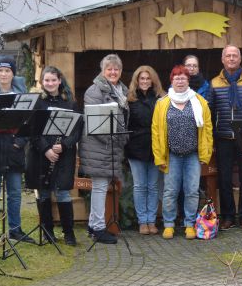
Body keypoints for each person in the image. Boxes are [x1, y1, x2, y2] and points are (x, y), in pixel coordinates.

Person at [153, 65, 213, 240]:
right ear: (171, 80)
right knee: (170, 191)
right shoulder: (162, 103)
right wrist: (159, 157)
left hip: (192, 155)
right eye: (176, 78)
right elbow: (156, 132)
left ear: (188, 81)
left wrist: (206, 153)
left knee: (192, 191)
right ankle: (169, 224)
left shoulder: (200, 101)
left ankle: (189, 224)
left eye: (183, 78)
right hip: (171, 155)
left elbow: (207, 129)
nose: (180, 81)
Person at [206, 45, 242, 232]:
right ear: (222, 59)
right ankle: (228, 216)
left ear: (240, 59)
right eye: (228, 56)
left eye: (234, 55)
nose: (231, 58)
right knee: (225, 179)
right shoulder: (214, 83)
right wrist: (211, 139)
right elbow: (210, 113)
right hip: (222, 138)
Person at [25, 66, 82, 246]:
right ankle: (47, 232)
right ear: (42, 82)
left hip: (63, 155)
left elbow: (77, 130)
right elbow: (32, 131)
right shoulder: (37, 103)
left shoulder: (70, 102)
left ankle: (69, 233)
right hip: (42, 155)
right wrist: (46, 149)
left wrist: (63, 145)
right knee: (44, 193)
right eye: (46, 80)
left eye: (53, 80)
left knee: (64, 194)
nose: (50, 83)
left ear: (59, 81)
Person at [0, 58, 35, 244]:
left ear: (13, 74)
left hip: (14, 151)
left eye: (7, 71)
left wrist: (20, 142)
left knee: (14, 194)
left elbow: (28, 124)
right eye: (0, 70)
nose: (3, 74)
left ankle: (15, 229)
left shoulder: (21, 95)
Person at [80, 54, 130, 244]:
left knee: (100, 186)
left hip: (112, 145)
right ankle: (99, 228)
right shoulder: (94, 91)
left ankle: (94, 226)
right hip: (99, 146)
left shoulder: (120, 90)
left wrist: (121, 138)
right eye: (109, 68)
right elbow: (97, 125)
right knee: (100, 187)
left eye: (116, 69)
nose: (113, 72)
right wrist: (117, 139)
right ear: (103, 70)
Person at [125, 65, 165, 235]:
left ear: (153, 80)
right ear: (136, 80)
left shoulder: (161, 99)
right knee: (140, 186)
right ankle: (143, 221)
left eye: (148, 78)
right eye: (142, 78)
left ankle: (152, 220)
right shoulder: (130, 100)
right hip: (136, 147)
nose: (145, 81)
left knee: (154, 186)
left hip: (155, 147)